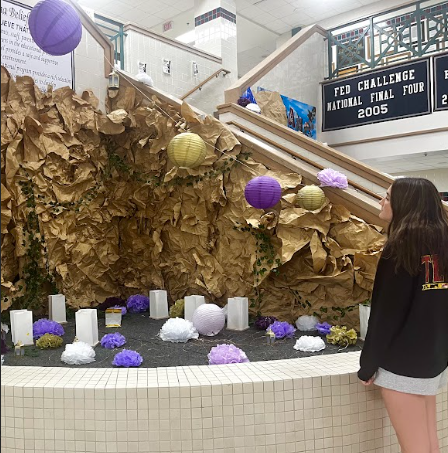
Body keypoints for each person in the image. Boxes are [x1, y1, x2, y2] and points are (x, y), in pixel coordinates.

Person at [358, 177, 448, 453]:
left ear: (405, 204)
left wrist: (368, 363)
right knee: (430, 443)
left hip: (403, 360)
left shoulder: (401, 246)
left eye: (387, 196)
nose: (382, 201)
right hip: (434, 358)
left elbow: (387, 311)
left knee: (416, 448)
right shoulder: (443, 243)